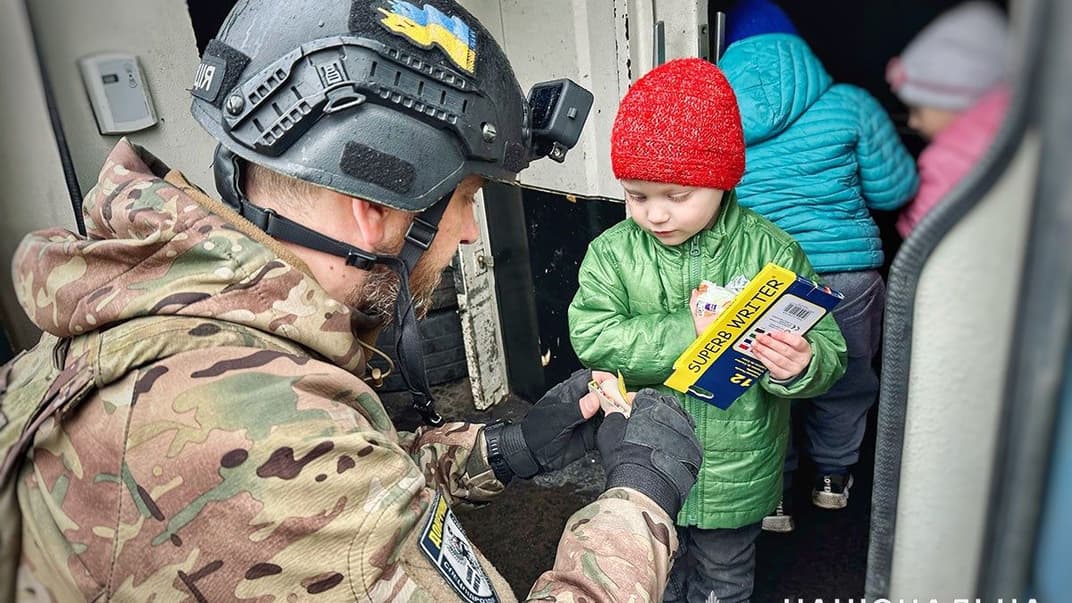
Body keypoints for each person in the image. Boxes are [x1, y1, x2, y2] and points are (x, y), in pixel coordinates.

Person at [0, 1, 704, 600]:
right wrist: (639, 498)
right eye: (465, 201)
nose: (465, 234)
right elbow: (303, 472)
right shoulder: (257, 431)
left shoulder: (165, 306)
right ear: (378, 201)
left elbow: (353, 463)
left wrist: (510, 446)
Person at [567, 57, 847, 603]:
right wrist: (687, 331)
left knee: (724, 581)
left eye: (677, 195)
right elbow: (593, 337)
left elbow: (831, 349)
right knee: (654, 580)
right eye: (637, 195)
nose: (655, 215)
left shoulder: (772, 250)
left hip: (734, 472)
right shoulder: (611, 254)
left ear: (723, 181)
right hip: (645, 465)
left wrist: (803, 362)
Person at [718, 0, 920, 532]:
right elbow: (895, 187)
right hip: (848, 274)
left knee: (762, 380)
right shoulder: (849, 103)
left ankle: (772, 493)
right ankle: (831, 478)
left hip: (762, 276)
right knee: (848, 377)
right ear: (798, 49)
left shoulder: (714, 117)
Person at [887, 0, 1011, 238]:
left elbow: (922, 228)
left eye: (918, 110)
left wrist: (905, 223)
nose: (913, 122)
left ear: (954, 103)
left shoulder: (946, 158)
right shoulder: (1008, 137)